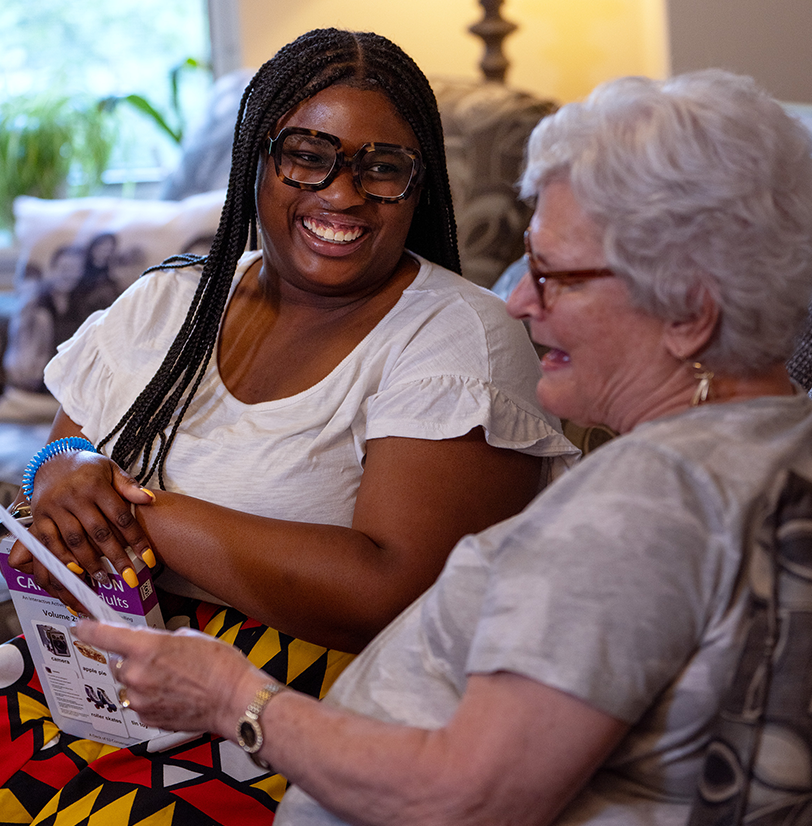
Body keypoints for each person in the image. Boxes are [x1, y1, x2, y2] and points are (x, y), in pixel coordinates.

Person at [75, 68, 812, 825]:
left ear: (688, 310)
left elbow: (470, 800)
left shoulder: (647, 505)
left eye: (551, 276)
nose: (518, 300)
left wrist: (230, 698)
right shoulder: (788, 433)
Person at [0, 28, 575, 825]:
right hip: (93, 679)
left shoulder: (455, 340)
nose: (341, 194)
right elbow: (61, 474)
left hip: (295, 715)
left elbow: (386, 589)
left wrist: (128, 508)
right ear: (255, 158)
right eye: (308, 154)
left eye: (382, 168)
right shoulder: (169, 301)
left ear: (418, 185)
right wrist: (57, 467)